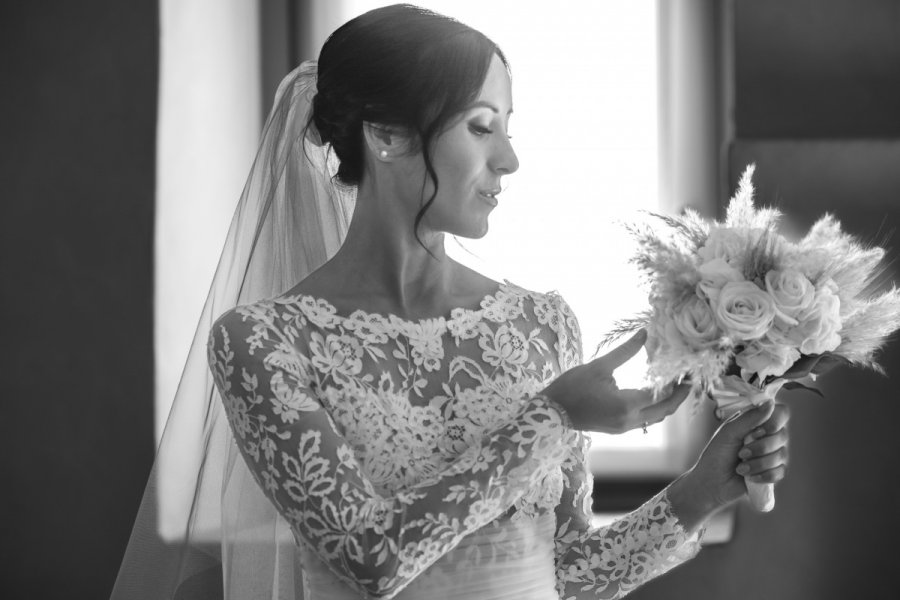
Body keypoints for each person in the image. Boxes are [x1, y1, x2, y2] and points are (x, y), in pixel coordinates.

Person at [112, 4, 790, 600]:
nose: (509, 160)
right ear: (388, 137)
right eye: (480, 127)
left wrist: (705, 488)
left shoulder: (542, 326)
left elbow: (572, 575)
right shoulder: (263, 344)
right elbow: (370, 561)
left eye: (507, 128)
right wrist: (552, 415)